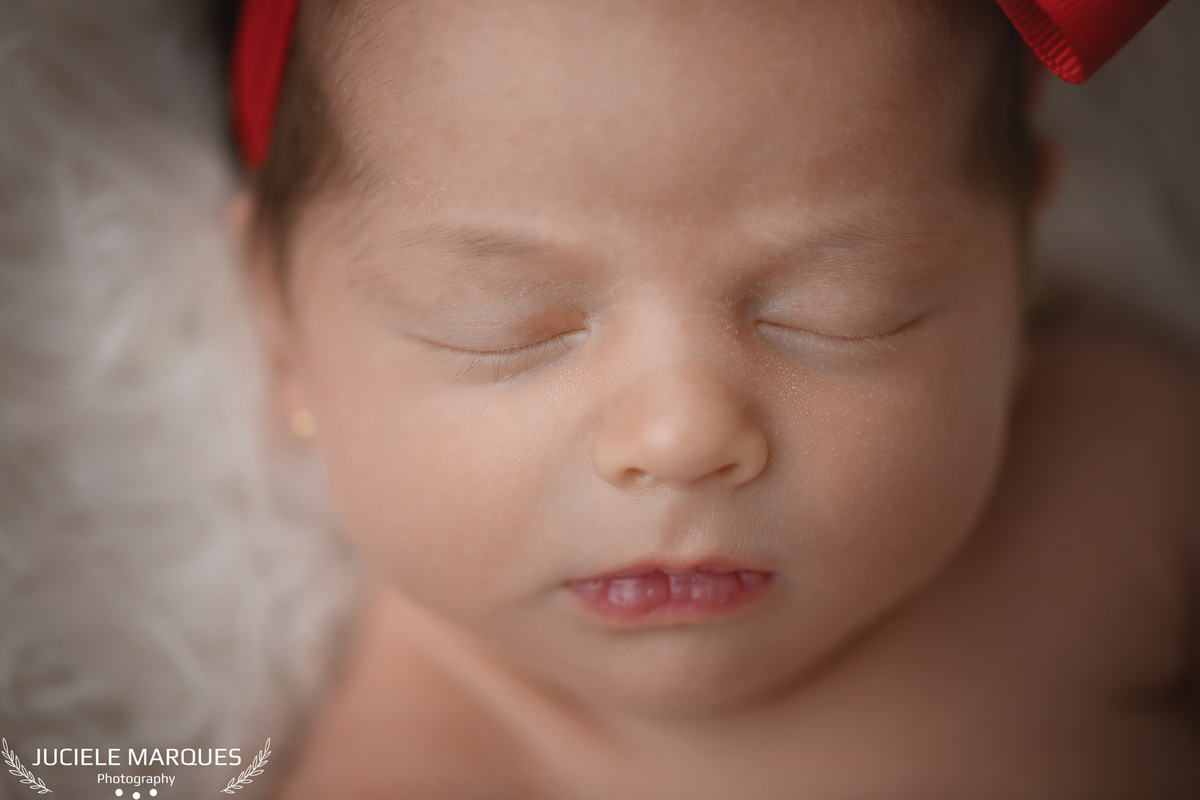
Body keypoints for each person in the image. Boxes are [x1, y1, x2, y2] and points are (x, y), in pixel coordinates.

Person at [226, 0, 1200, 796]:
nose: (682, 435)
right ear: (282, 327)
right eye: (503, 325)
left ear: (1017, 270)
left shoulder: (1121, 485)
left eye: (844, 307)